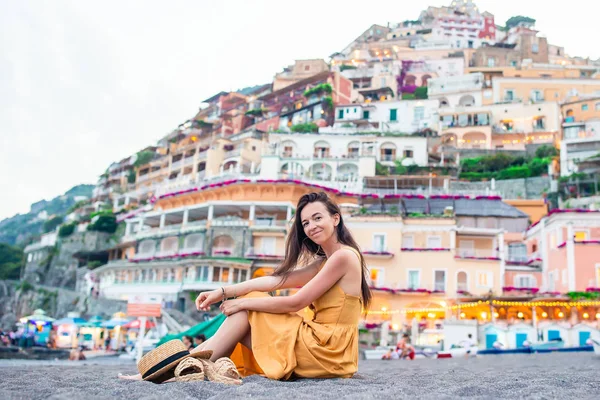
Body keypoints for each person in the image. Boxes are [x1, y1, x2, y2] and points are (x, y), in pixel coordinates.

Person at [120, 191, 372, 381]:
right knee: (244, 312)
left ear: (335, 218)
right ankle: (182, 367)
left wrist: (241, 302)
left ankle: (180, 366)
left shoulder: (343, 256)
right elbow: (277, 280)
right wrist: (224, 292)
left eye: (318, 218)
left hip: (327, 351)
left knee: (246, 307)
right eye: (305, 223)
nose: (311, 226)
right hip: (325, 349)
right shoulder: (326, 260)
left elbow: (296, 302)